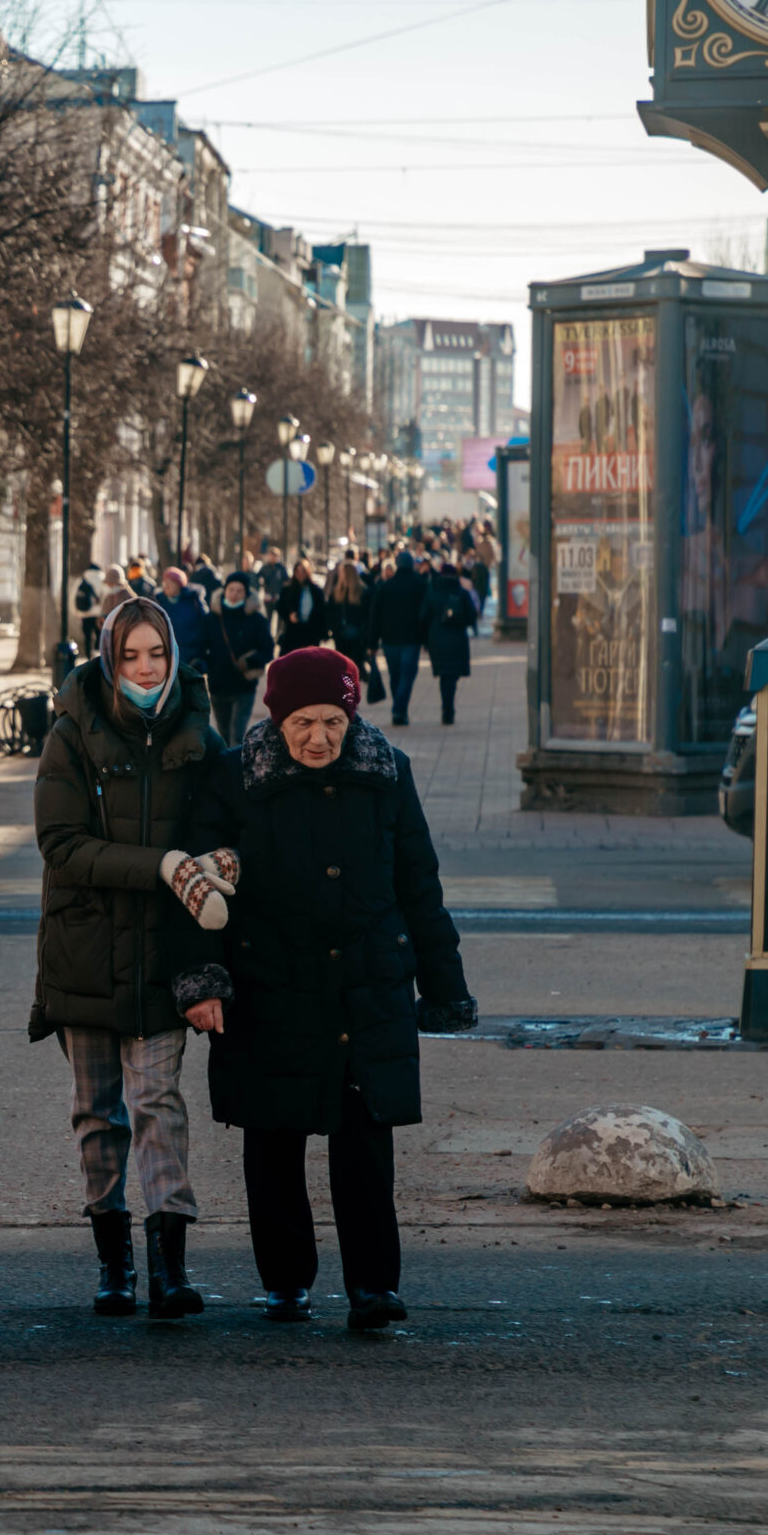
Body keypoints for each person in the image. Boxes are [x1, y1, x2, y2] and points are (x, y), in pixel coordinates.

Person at [191, 648, 474, 1331]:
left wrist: (444, 985)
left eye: (331, 721)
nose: (318, 737)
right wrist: (203, 980)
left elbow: (418, 884)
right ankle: (285, 1281)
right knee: (274, 1138)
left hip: (364, 983)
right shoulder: (234, 778)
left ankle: (375, 1286)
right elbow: (199, 890)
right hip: (270, 982)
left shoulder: (387, 774)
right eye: (301, 723)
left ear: (351, 715)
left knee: (365, 1141)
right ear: (275, 717)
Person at [29, 598, 229, 1322]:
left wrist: (219, 862)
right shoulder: (71, 733)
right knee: (98, 1113)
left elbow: (219, 827)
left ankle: (168, 1268)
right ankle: (114, 1262)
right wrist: (163, 864)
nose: (147, 668)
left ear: (173, 657)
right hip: (83, 951)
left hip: (161, 955)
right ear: (110, 660)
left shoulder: (199, 734)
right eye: (131, 656)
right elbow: (62, 844)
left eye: (157, 654)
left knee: (158, 1106)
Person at [201, 570, 274, 744]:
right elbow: (201, 646)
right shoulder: (212, 618)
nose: (234, 594)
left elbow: (268, 649)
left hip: (244, 685)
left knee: (237, 733)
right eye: (231, 589)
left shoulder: (255, 619)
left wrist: (250, 661)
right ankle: (227, 767)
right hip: (218, 684)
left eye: (239, 590)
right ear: (224, 590)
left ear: (246, 594)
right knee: (224, 733)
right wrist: (203, 663)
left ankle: (236, 768)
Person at [370, 550, 432, 727]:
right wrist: (427, 639)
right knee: (408, 675)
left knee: (395, 675)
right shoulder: (420, 585)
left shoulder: (386, 586)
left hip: (389, 639)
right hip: (412, 639)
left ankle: (399, 708)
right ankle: (400, 709)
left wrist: (372, 642)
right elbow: (426, 615)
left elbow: (375, 616)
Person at [423, 562, 480, 726]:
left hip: (437, 640)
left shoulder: (432, 592)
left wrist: (426, 639)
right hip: (457, 640)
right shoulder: (462, 593)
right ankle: (449, 708)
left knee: (444, 675)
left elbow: (424, 616)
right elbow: (471, 617)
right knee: (452, 676)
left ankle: (446, 708)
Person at [327, 560, 375, 687]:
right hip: (341, 635)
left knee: (353, 667)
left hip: (357, 636)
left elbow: (368, 616)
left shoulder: (362, 592)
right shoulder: (337, 593)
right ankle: (348, 695)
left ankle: (352, 695)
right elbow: (330, 612)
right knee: (343, 668)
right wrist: (333, 628)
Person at [157, 567, 209, 675]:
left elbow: (204, 625)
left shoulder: (193, 600)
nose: (166, 586)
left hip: (192, 657)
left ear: (179, 585)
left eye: (170, 583)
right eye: (165, 583)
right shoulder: (159, 602)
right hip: (168, 656)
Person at [274, 559, 328, 654]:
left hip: (311, 631)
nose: (300, 574)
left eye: (303, 571)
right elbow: (280, 607)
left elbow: (322, 612)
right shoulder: (288, 589)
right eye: (297, 571)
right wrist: (289, 616)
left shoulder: (316, 591)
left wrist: (323, 633)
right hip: (293, 631)